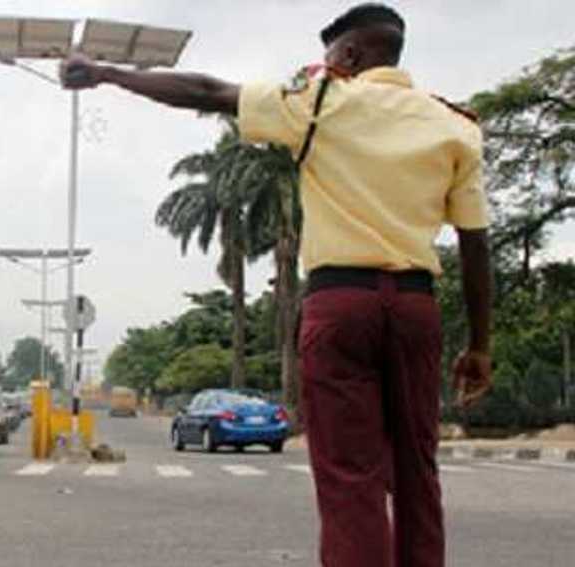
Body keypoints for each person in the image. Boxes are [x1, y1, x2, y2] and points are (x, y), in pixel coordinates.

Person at [59, 4, 492, 566]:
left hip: (340, 305)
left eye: (331, 56)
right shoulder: (455, 126)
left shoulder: (319, 103)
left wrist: (108, 73)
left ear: (352, 54)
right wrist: (479, 345)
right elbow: (475, 242)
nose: (324, 64)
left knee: (348, 474)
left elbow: (206, 90)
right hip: (415, 308)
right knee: (418, 468)